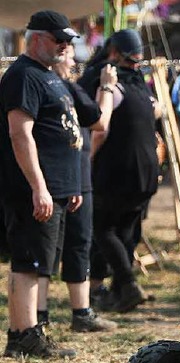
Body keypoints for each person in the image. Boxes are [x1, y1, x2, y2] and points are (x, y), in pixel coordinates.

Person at [0, 11, 85, 358]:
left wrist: (70, 185)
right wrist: (39, 187)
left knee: (41, 262)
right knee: (29, 263)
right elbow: (20, 134)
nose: (65, 46)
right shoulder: (22, 76)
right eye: (58, 39)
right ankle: (23, 336)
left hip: (58, 189)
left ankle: (29, 331)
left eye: (67, 40)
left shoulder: (47, 74)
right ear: (35, 38)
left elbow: (62, 130)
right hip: (33, 190)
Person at [35, 44, 118, 332]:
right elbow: (101, 122)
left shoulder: (70, 89)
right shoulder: (44, 87)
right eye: (69, 56)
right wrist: (107, 88)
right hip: (53, 180)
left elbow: (91, 128)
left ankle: (81, 312)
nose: (73, 62)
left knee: (80, 242)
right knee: (45, 252)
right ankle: (39, 316)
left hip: (77, 177)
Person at [79, 29, 161, 313]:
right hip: (146, 169)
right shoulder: (137, 82)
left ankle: (126, 284)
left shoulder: (106, 80)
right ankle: (117, 291)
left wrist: (86, 160)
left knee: (103, 227)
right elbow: (156, 109)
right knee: (124, 230)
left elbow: (100, 129)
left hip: (119, 168)